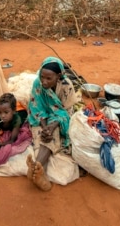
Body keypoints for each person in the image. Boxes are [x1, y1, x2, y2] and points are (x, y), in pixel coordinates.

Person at [26, 57, 82, 191]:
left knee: (53, 133)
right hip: (40, 118)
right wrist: (46, 128)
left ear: (58, 76)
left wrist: (52, 126)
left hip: (58, 119)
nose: (44, 81)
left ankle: (36, 168)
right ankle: (40, 172)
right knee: (43, 136)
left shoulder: (66, 86)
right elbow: (36, 108)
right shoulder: (37, 84)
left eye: (49, 78)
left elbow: (66, 113)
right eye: (42, 77)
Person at [0, 93, 32, 167]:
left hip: (22, 113)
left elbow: (12, 141)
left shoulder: (17, 119)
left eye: (6, 112)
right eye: (0, 112)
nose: (2, 116)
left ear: (14, 111)